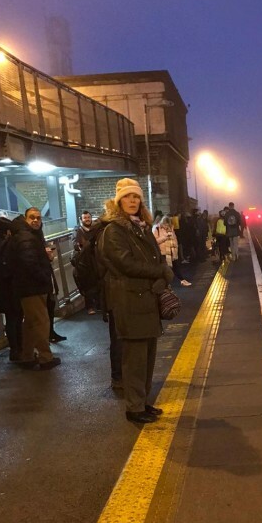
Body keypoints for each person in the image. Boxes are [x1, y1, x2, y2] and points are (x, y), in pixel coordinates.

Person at [98, 178, 173, 424]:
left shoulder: (141, 227)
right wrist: (159, 272)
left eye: (136, 197)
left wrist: (162, 271)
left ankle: (143, 402)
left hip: (146, 299)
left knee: (148, 357)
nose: (132, 201)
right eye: (127, 197)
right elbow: (125, 263)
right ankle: (134, 408)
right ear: (118, 201)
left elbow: (156, 257)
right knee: (135, 359)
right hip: (129, 301)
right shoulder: (114, 230)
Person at [6, 207, 60, 370]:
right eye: (32, 217)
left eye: (38, 217)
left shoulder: (24, 235)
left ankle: (27, 356)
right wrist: (44, 275)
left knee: (30, 323)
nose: (36, 220)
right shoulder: (27, 237)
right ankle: (45, 357)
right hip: (32, 287)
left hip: (26, 287)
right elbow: (29, 263)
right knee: (41, 322)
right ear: (25, 218)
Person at [0, 216, 23, 360]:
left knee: (15, 318)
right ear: (5, 231)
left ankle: (18, 348)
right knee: (14, 318)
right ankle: (16, 349)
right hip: (7, 287)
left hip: (7, 287)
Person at [73, 210, 100, 314]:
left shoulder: (95, 229)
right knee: (87, 284)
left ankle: (99, 304)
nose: (87, 219)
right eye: (85, 218)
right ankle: (90, 307)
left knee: (98, 282)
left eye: (88, 217)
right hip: (85, 262)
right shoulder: (78, 231)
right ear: (81, 219)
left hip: (96, 260)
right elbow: (76, 245)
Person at [153, 216, 191, 286]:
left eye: (168, 224)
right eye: (165, 224)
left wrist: (176, 249)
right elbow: (155, 241)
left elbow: (174, 239)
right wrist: (165, 237)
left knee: (176, 267)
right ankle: (166, 284)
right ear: (162, 223)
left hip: (172, 252)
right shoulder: (157, 229)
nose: (166, 226)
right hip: (163, 253)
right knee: (166, 269)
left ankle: (182, 280)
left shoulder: (171, 229)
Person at [45, 243, 67, 343]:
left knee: (50, 310)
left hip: (49, 285)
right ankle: (47, 336)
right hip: (44, 287)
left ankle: (50, 333)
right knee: (45, 313)